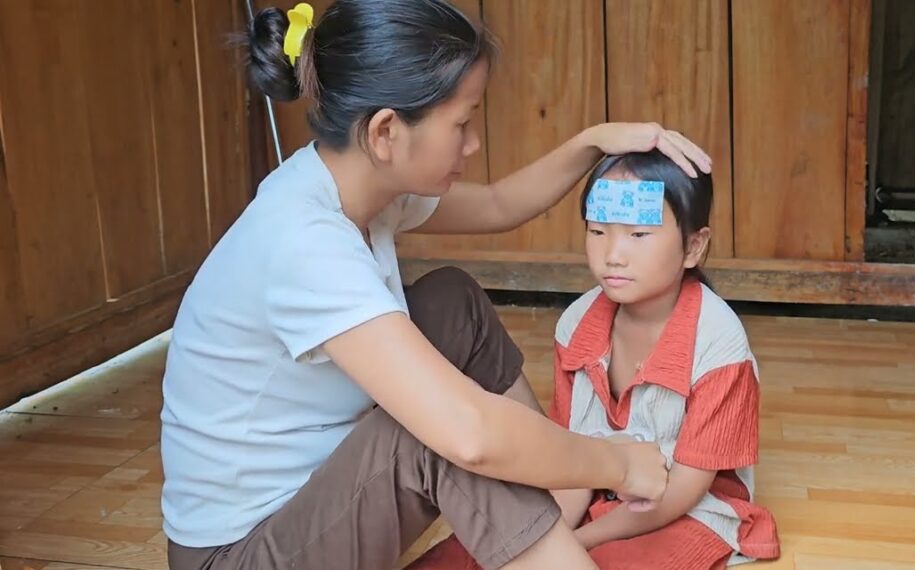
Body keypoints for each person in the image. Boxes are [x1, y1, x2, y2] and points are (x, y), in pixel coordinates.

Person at [157, 1, 714, 569]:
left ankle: (552, 500)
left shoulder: (358, 189)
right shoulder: (304, 243)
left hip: (308, 507)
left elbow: (500, 204)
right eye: (462, 123)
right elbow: (468, 437)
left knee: (451, 302)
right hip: (238, 558)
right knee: (446, 437)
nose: (473, 144)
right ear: (386, 133)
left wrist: (594, 142)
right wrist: (615, 463)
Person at [409, 150, 781, 569]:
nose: (613, 255)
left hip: (682, 508)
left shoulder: (718, 344)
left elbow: (683, 490)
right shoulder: (576, 323)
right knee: (476, 550)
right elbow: (568, 450)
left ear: (694, 247)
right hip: (589, 483)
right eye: (599, 230)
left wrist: (574, 541)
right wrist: (540, 536)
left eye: (639, 235)